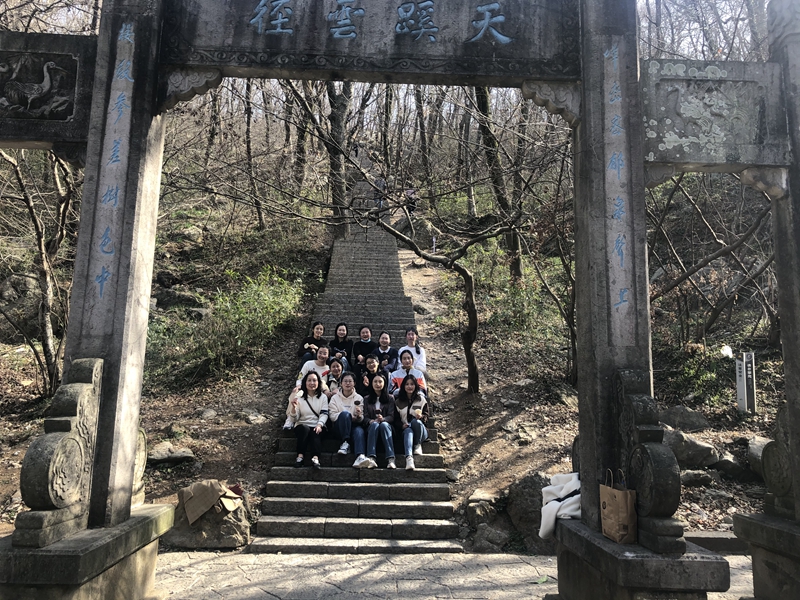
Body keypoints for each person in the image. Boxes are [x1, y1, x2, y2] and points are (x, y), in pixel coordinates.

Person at [286, 371, 328, 470]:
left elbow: (324, 413)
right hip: (302, 424)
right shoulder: (299, 397)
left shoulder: (323, 397)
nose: (312, 383)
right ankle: (300, 457)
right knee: (304, 429)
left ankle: (315, 458)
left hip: (317, 424)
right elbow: (294, 419)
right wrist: (293, 408)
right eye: (309, 380)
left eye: (314, 380)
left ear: (318, 383)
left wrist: (319, 424)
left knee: (315, 432)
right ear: (305, 382)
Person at [361, 373, 397, 469]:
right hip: (372, 427)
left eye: (380, 382)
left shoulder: (390, 398)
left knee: (384, 424)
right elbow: (365, 417)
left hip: (387, 427)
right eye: (375, 382)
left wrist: (383, 419)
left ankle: (391, 458)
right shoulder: (366, 399)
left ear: (384, 383)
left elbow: (392, 416)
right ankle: (371, 458)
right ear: (371, 383)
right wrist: (371, 421)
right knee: (374, 425)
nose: (378, 384)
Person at [394, 374, 429, 471]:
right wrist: (401, 426)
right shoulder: (398, 401)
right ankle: (409, 458)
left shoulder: (421, 399)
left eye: (412, 384)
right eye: (407, 384)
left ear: (416, 385)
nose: (409, 386)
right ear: (403, 386)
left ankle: (417, 444)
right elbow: (395, 419)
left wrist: (421, 417)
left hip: (421, 430)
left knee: (415, 422)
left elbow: (427, 416)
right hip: (406, 429)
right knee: (408, 431)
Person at [328, 372, 365, 460]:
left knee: (359, 431)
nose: (347, 383)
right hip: (339, 427)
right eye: (345, 381)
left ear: (354, 383)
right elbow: (332, 416)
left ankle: (360, 456)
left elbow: (361, 418)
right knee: (345, 414)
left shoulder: (359, 398)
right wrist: (348, 417)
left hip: (353, 425)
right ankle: (345, 442)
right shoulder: (335, 398)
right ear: (341, 383)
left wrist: (359, 416)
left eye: (350, 381)